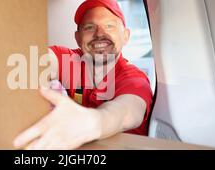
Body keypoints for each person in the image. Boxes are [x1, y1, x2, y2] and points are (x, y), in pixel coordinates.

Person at [13, 0, 152, 150]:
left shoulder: (134, 79)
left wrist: (93, 122)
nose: (99, 33)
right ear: (78, 38)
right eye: (89, 27)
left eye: (109, 26)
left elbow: (126, 112)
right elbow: (37, 61)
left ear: (125, 36)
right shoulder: (68, 59)